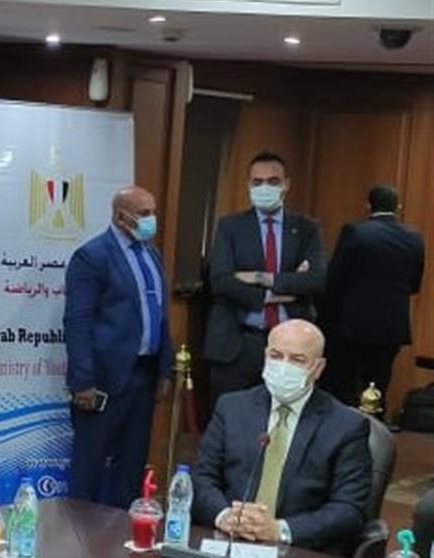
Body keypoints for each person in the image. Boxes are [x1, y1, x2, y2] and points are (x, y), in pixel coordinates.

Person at [192, 319, 371, 555]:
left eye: (297, 360)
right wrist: (224, 515)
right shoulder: (232, 407)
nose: (284, 366)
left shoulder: (345, 426)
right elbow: (202, 478)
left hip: (298, 548)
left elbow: (349, 509)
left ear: (318, 368)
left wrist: (280, 530)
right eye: (276, 356)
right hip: (228, 541)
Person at [63, 185, 173, 509]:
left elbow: (160, 314)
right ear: (121, 217)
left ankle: (122, 533)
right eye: (143, 214)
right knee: (89, 467)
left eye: (153, 212)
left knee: (131, 468)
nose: (151, 220)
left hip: (144, 375)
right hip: (103, 379)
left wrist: (164, 369)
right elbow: (78, 321)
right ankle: (78, 533)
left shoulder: (152, 254)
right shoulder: (92, 256)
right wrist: (82, 381)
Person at [205, 150, 326, 403]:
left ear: (286, 185)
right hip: (238, 343)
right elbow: (221, 281)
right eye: (257, 182)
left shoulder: (306, 228)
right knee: (233, 420)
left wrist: (260, 278)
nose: (265, 188)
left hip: (291, 349)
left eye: (273, 181)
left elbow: (316, 280)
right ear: (249, 185)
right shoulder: (230, 226)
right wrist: (281, 291)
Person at [321, 185, 425, 408]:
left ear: (368, 205)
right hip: (392, 326)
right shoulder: (415, 237)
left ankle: (349, 425)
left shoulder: (355, 232)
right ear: (398, 207)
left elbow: (335, 279)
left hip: (354, 325)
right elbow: (414, 285)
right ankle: (375, 423)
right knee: (378, 384)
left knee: (346, 384)